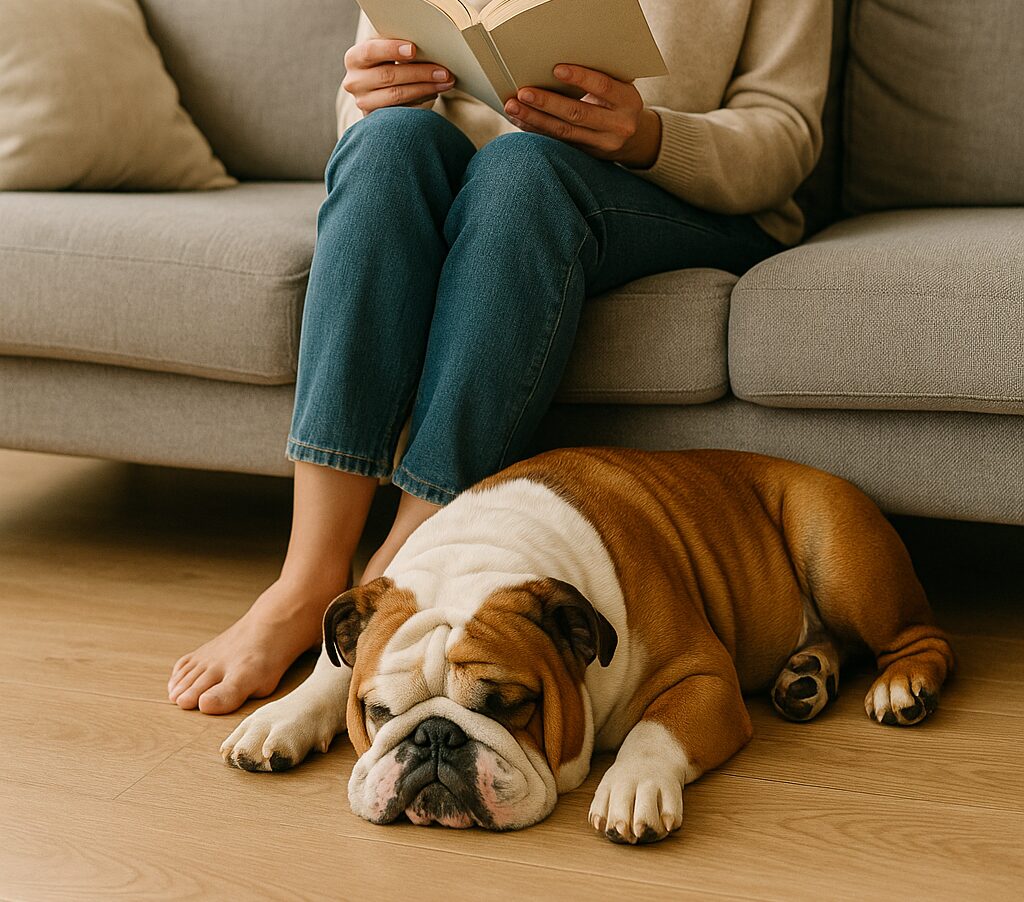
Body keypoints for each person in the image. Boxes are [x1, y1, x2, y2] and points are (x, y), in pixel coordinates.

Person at [167, 0, 832, 714]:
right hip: (466, 177)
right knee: (385, 146)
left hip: (668, 192)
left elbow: (785, 136)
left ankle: (402, 570)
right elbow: (363, 96)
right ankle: (306, 581)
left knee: (522, 170)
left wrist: (645, 136)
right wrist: (371, 94)